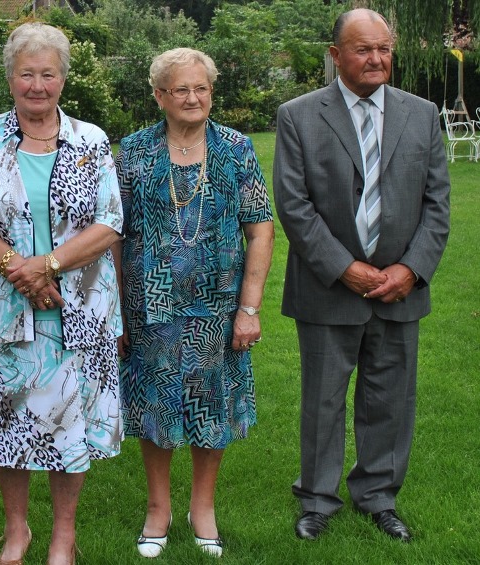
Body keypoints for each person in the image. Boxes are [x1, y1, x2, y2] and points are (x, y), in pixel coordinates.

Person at [273, 8, 450, 543]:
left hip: (400, 289)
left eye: (384, 49)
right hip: (329, 288)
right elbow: (294, 203)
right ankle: (317, 499)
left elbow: (438, 204)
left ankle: (378, 495)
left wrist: (411, 269)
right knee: (323, 399)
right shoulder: (299, 115)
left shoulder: (422, 114)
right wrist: (343, 267)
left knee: (390, 398)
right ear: (336, 55)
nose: (376, 59)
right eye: (362, 49)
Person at [0, 22, 123, 565]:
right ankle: (16, 531)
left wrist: (47, 265)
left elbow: (109, 222)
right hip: (6, 311)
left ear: (62, 79)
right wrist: (20, 271)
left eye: (47, 73)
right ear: (10, 78)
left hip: (82, 309)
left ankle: (63, 539)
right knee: (9, 422)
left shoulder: (91, 141)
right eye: (26, 73)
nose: (37, 85)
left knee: (71, 425)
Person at [114, 48, 274, 559]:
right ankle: (158, 508)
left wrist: (249, 308)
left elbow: (261, 228)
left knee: (214, 406)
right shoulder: (134, 151)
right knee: (156, 405)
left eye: (201, 88)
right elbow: (113, 234)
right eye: (180, 89)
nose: (192, 97)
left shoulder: (235, 147)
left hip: (218, 305)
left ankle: (202, 507)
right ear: (159, 95)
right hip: (150, 307)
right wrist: (115, 305)